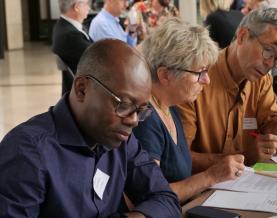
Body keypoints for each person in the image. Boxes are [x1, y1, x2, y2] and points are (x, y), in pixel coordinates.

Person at [0, 39, 180, 217]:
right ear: (82, 89)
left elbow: (166, 199)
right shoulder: (27, 154)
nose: (133, 120)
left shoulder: (123, 140)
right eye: (124, 105)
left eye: (141, 110)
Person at [133, 18, 245, 204]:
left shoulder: (170, 106)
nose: (207, 80)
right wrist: (210, 177)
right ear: (165, 75)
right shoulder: (146, 120)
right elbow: (151, 198)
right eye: (199, 73)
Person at [178, 8, 277, 166]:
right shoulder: (197, 78)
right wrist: (245, 156)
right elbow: (178, 161)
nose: (270, 64)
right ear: (242, 36)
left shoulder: (261, 80)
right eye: (268, 51)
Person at [52, 0, 93, 94]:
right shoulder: (69, 35)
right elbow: (97, 57)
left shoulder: (66, 27)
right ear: (77, 7)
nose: (89, 8)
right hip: (84, 92)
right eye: (87, 4)